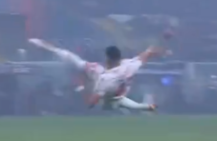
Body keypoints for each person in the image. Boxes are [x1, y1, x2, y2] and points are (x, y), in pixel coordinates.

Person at [28, 38, 160, 111]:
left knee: (117, 103)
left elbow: (92, 102)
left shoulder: (105, 75)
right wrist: (151, 51)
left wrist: (86, 98)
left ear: (107, 58)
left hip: (109, 97)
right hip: (111, 94)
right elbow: (143, 57)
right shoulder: (127, 65)